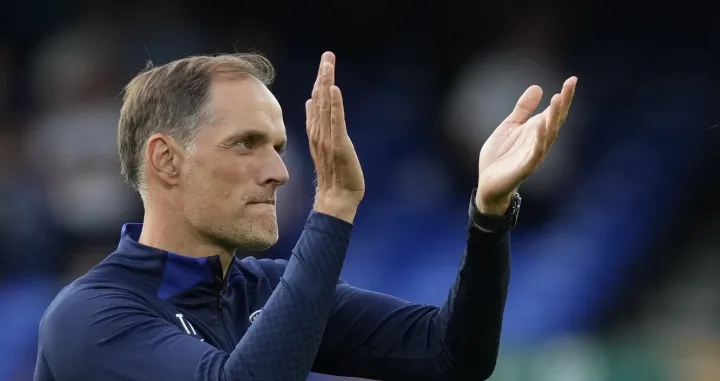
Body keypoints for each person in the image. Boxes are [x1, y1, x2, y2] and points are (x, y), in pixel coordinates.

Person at [33, 51, 577, 381]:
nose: (280, 171)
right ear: (166, 160)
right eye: (246, 143)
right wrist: (333, 206)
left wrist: (489, 214)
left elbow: (452, 355)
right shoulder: (92, 318)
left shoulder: (260, 290)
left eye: (279, 145)